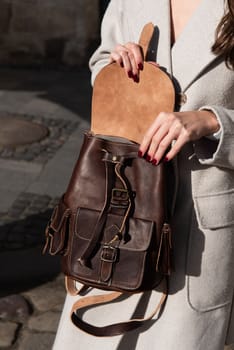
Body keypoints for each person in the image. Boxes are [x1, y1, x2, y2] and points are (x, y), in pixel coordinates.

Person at [52, 1, 234, 349]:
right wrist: (116, 69)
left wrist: (213, 122)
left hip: (198, 231)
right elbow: (101, 61)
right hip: (119, 212)